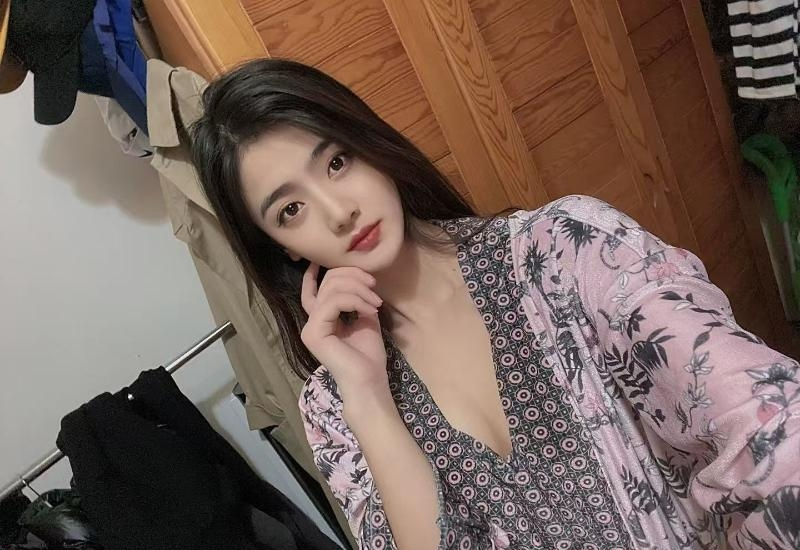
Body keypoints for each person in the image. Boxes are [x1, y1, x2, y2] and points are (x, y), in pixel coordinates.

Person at [189, 58, 800, 550]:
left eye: (337, 161)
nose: (338, 211)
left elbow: (765, 424)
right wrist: (369, 398)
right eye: (290, 209)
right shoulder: (335, 406)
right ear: (281, 247)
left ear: (369, 143)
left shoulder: (566, 248)